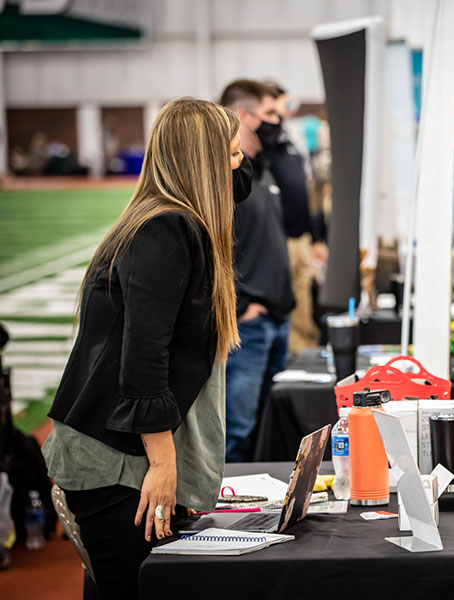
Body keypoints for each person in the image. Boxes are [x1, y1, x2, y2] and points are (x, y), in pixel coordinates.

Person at [41, 97, 246, 599]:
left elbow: (239, 187)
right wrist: (164, 464)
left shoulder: (166, 219)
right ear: (206, 164)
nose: (242, 165)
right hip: (115, 459)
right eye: (234, 155)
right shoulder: (167, 229)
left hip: (118, 451)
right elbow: (143, 357)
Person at [219, 80, 297, 462]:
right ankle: (225, 518)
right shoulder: (221, 175)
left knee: (267, 429)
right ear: (242, 116)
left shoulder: (259, 168)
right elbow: (210, 247)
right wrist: (241, 305)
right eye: (268, 114)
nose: (276, 121)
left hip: (275, 317)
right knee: (238, 431)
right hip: (248, 324)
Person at [261, 80, 329, 354]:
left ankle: (305, 345)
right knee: (288, 297)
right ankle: (292, 352)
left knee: (303, 294)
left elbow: (306, 191)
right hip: (281, 236)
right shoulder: (265, 140)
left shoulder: (287, 138)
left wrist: (316, 237)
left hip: (300, 236)